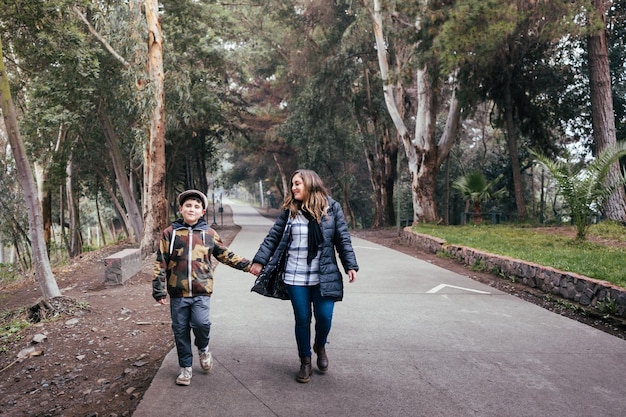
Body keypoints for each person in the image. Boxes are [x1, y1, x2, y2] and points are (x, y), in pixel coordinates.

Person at [250, 169, 359, 383]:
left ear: (310, 183)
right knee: (302, 318)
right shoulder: (290, 210)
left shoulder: (332, 208)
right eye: (292, 184)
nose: (294, 188)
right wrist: (259, 260)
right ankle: (305, 361)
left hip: (324, 274)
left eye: (298, 183)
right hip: (294, 274)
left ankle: (320, 345)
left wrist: (350, 265)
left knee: (325, 317)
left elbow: (342, 239)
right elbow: (273, 236)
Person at [152, 189, 252, 386]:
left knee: (201, 324)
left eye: (196, 206)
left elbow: (226, 255)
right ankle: (186, 368)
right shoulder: (169, 234)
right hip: (178, 293)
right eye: (188, 205)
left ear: (203, 211)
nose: (192, 209)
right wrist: (158, 289)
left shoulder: (209, 234)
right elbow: (160, 262)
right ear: (180, 209)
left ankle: (204, 348)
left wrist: (248, 266)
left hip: (201, 291)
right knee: (180, 330)